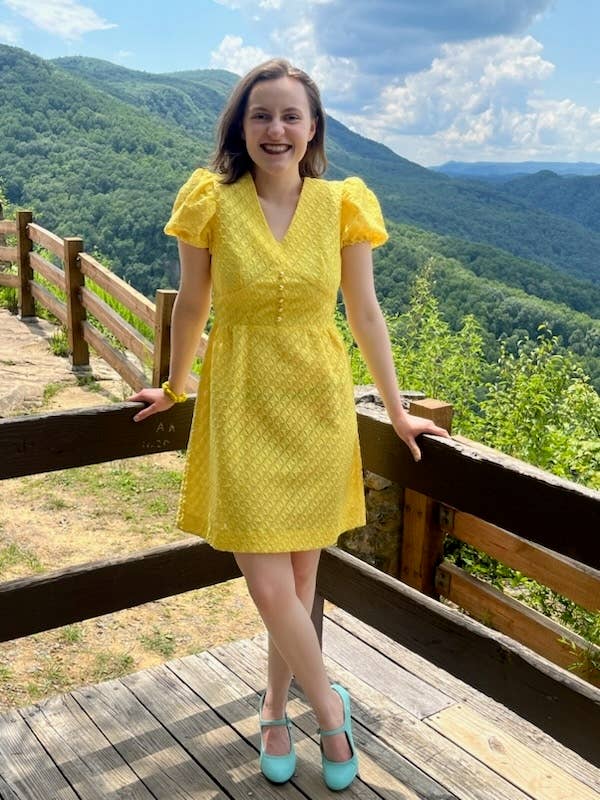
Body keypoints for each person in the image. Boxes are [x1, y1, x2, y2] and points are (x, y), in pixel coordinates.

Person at [129, 58, 449, 791]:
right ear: (241, 126)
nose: (276, 129)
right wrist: (176, 387)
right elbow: (192, 304)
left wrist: (396, 408)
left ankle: (275, 709)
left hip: (318, 402)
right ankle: (329, 714)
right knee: (272, 585)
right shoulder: (210, 198)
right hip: (239, 398)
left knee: (301, 580)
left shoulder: (343, 203)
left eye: (291, 116)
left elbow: (365, 313)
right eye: (261, 115)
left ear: (313, 129)